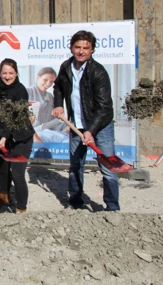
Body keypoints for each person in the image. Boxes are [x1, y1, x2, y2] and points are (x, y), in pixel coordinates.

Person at [51, 30, 119, 211]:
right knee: (75, 166)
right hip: (76, 126)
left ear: (92, 50)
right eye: (77, 47)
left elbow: (105, 108)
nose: (81, 51)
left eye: (85, 48)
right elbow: (58, 86)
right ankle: (75, 203)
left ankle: (112, 208)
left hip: (100, 127)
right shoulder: (66, 67)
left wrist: (91, 131)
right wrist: (58, 104)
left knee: (108, 168)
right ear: (71, 48)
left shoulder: (98, 72)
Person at [0, 58, 34, 213]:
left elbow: (14, 117)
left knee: (17, 174)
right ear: (0, 73)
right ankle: (3, 198)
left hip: (21, 138)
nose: (7, 76)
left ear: (16, 73)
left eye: (11, 73)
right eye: (4, 73)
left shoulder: (21, 90)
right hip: (5, 137)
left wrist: (3, 137)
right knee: (3, 170)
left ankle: (21, 208)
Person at [27, 67, 68, 143]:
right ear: (38, 78)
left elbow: (53, 121)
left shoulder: (50, 97)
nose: (48, 84)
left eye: (51, 82)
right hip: (34, 133)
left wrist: (65, 127)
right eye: (45, 80)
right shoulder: (26, 92)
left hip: (48, 132)